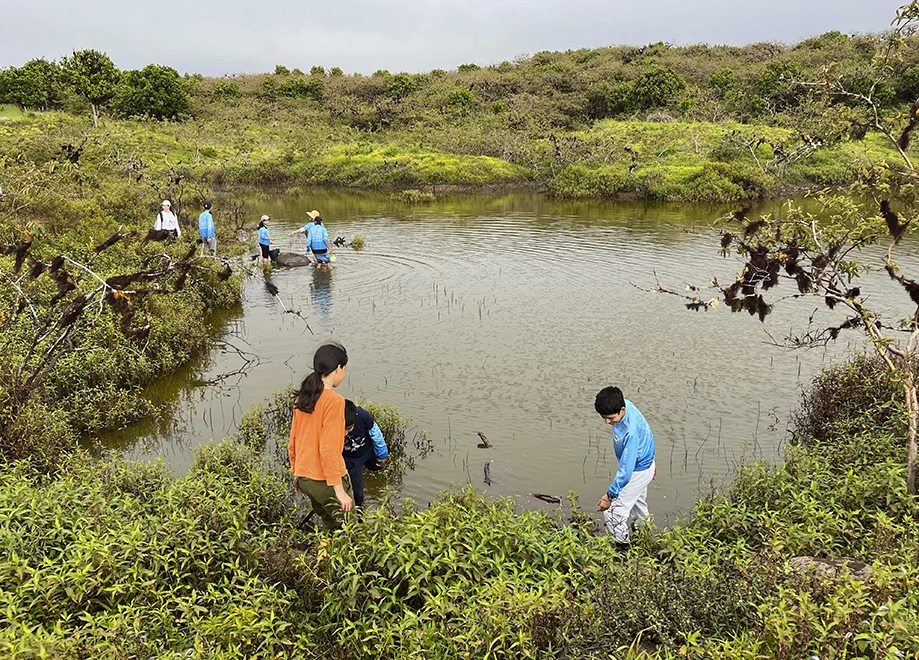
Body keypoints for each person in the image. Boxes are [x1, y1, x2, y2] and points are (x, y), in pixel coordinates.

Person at [288, 342, 353, 530]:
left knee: (328, 522)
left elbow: (294, 440)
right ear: (338, 369)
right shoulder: (334, 401)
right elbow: (329, 448)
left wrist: (297, 472)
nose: (344, 373)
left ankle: (325, 555)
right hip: (325, 481)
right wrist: (339, 490)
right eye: (344, 369)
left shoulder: (303, 398)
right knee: (350, 529)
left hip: (306, 479)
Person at [594, 386, 656, 548]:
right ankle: (644, 537)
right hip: (645, 465)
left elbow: (626, 473)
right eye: (604, 418)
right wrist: (651, 462)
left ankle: (623, 548)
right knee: (638, 505)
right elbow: (648, 432)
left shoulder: (631, 432)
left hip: (637, 470)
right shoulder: (625, 404)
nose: (608, 422)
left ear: (622, 410)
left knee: (613, 513)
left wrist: (609, 496)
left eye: (611, 419)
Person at [343, 400, 389, 509]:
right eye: (342, 429)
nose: (345, 433)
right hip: (351, 459)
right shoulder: (329, 422)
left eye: (349, 429)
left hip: (367, 449)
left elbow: (376, 435)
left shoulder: (362, 416)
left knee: (377, 467)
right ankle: (358, 512)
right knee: (357, 494)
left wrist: (382, 455)